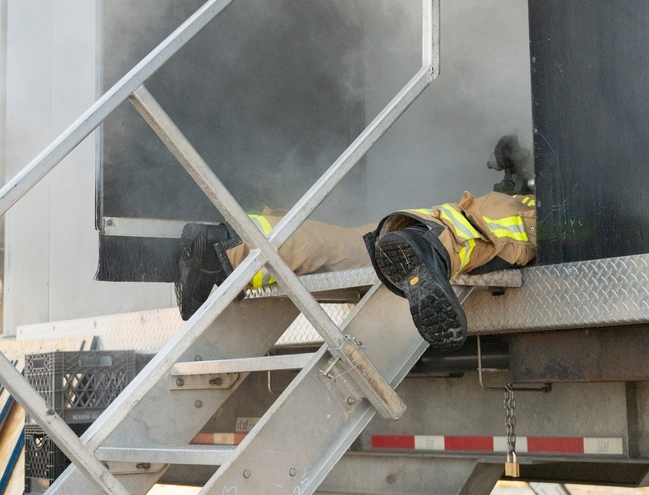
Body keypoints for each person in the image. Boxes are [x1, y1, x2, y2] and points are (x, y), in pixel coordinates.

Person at [175, 135, 536, 350]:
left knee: (346, 248)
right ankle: (425, 244)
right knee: (500, 228)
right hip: (520, 211)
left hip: (398, 234)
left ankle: (222, 248)